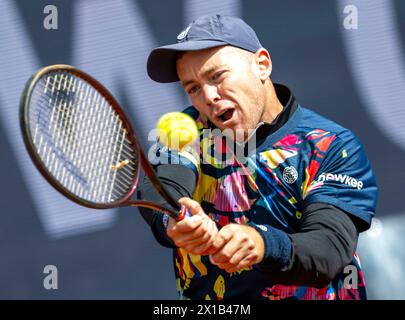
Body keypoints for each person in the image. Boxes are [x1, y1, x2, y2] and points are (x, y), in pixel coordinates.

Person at [138, 14, 377, 300]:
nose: (209, 96)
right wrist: (175, 221)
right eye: (193, 88)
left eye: (217, 76)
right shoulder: (187, 130)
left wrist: (261, 243)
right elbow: (164, 185)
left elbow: (327, 249)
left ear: (262, 65)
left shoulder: (330, 145)